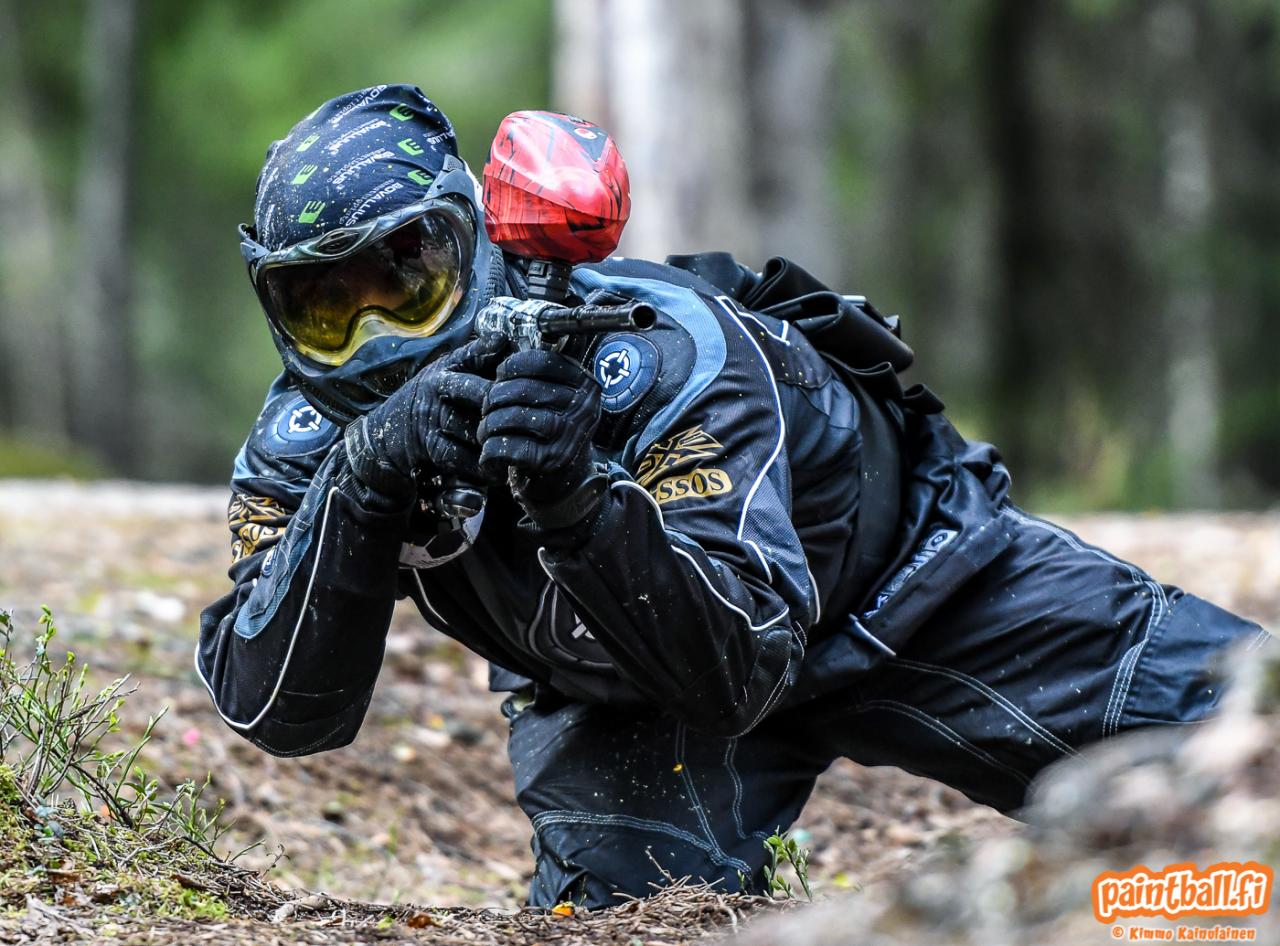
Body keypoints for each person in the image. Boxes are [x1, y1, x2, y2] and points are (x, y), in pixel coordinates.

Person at [197, 85, 1270, 908]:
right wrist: (366, 479)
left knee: (1245, 752)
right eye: (325, 307)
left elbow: (740, 661)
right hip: (626, 691)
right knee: (621, 924)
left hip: (926, 585)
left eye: (404, 281)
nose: (371, 333)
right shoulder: (314, 443)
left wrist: (575, 496)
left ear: (472, 242)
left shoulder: (663, 356)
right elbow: (281, 711)